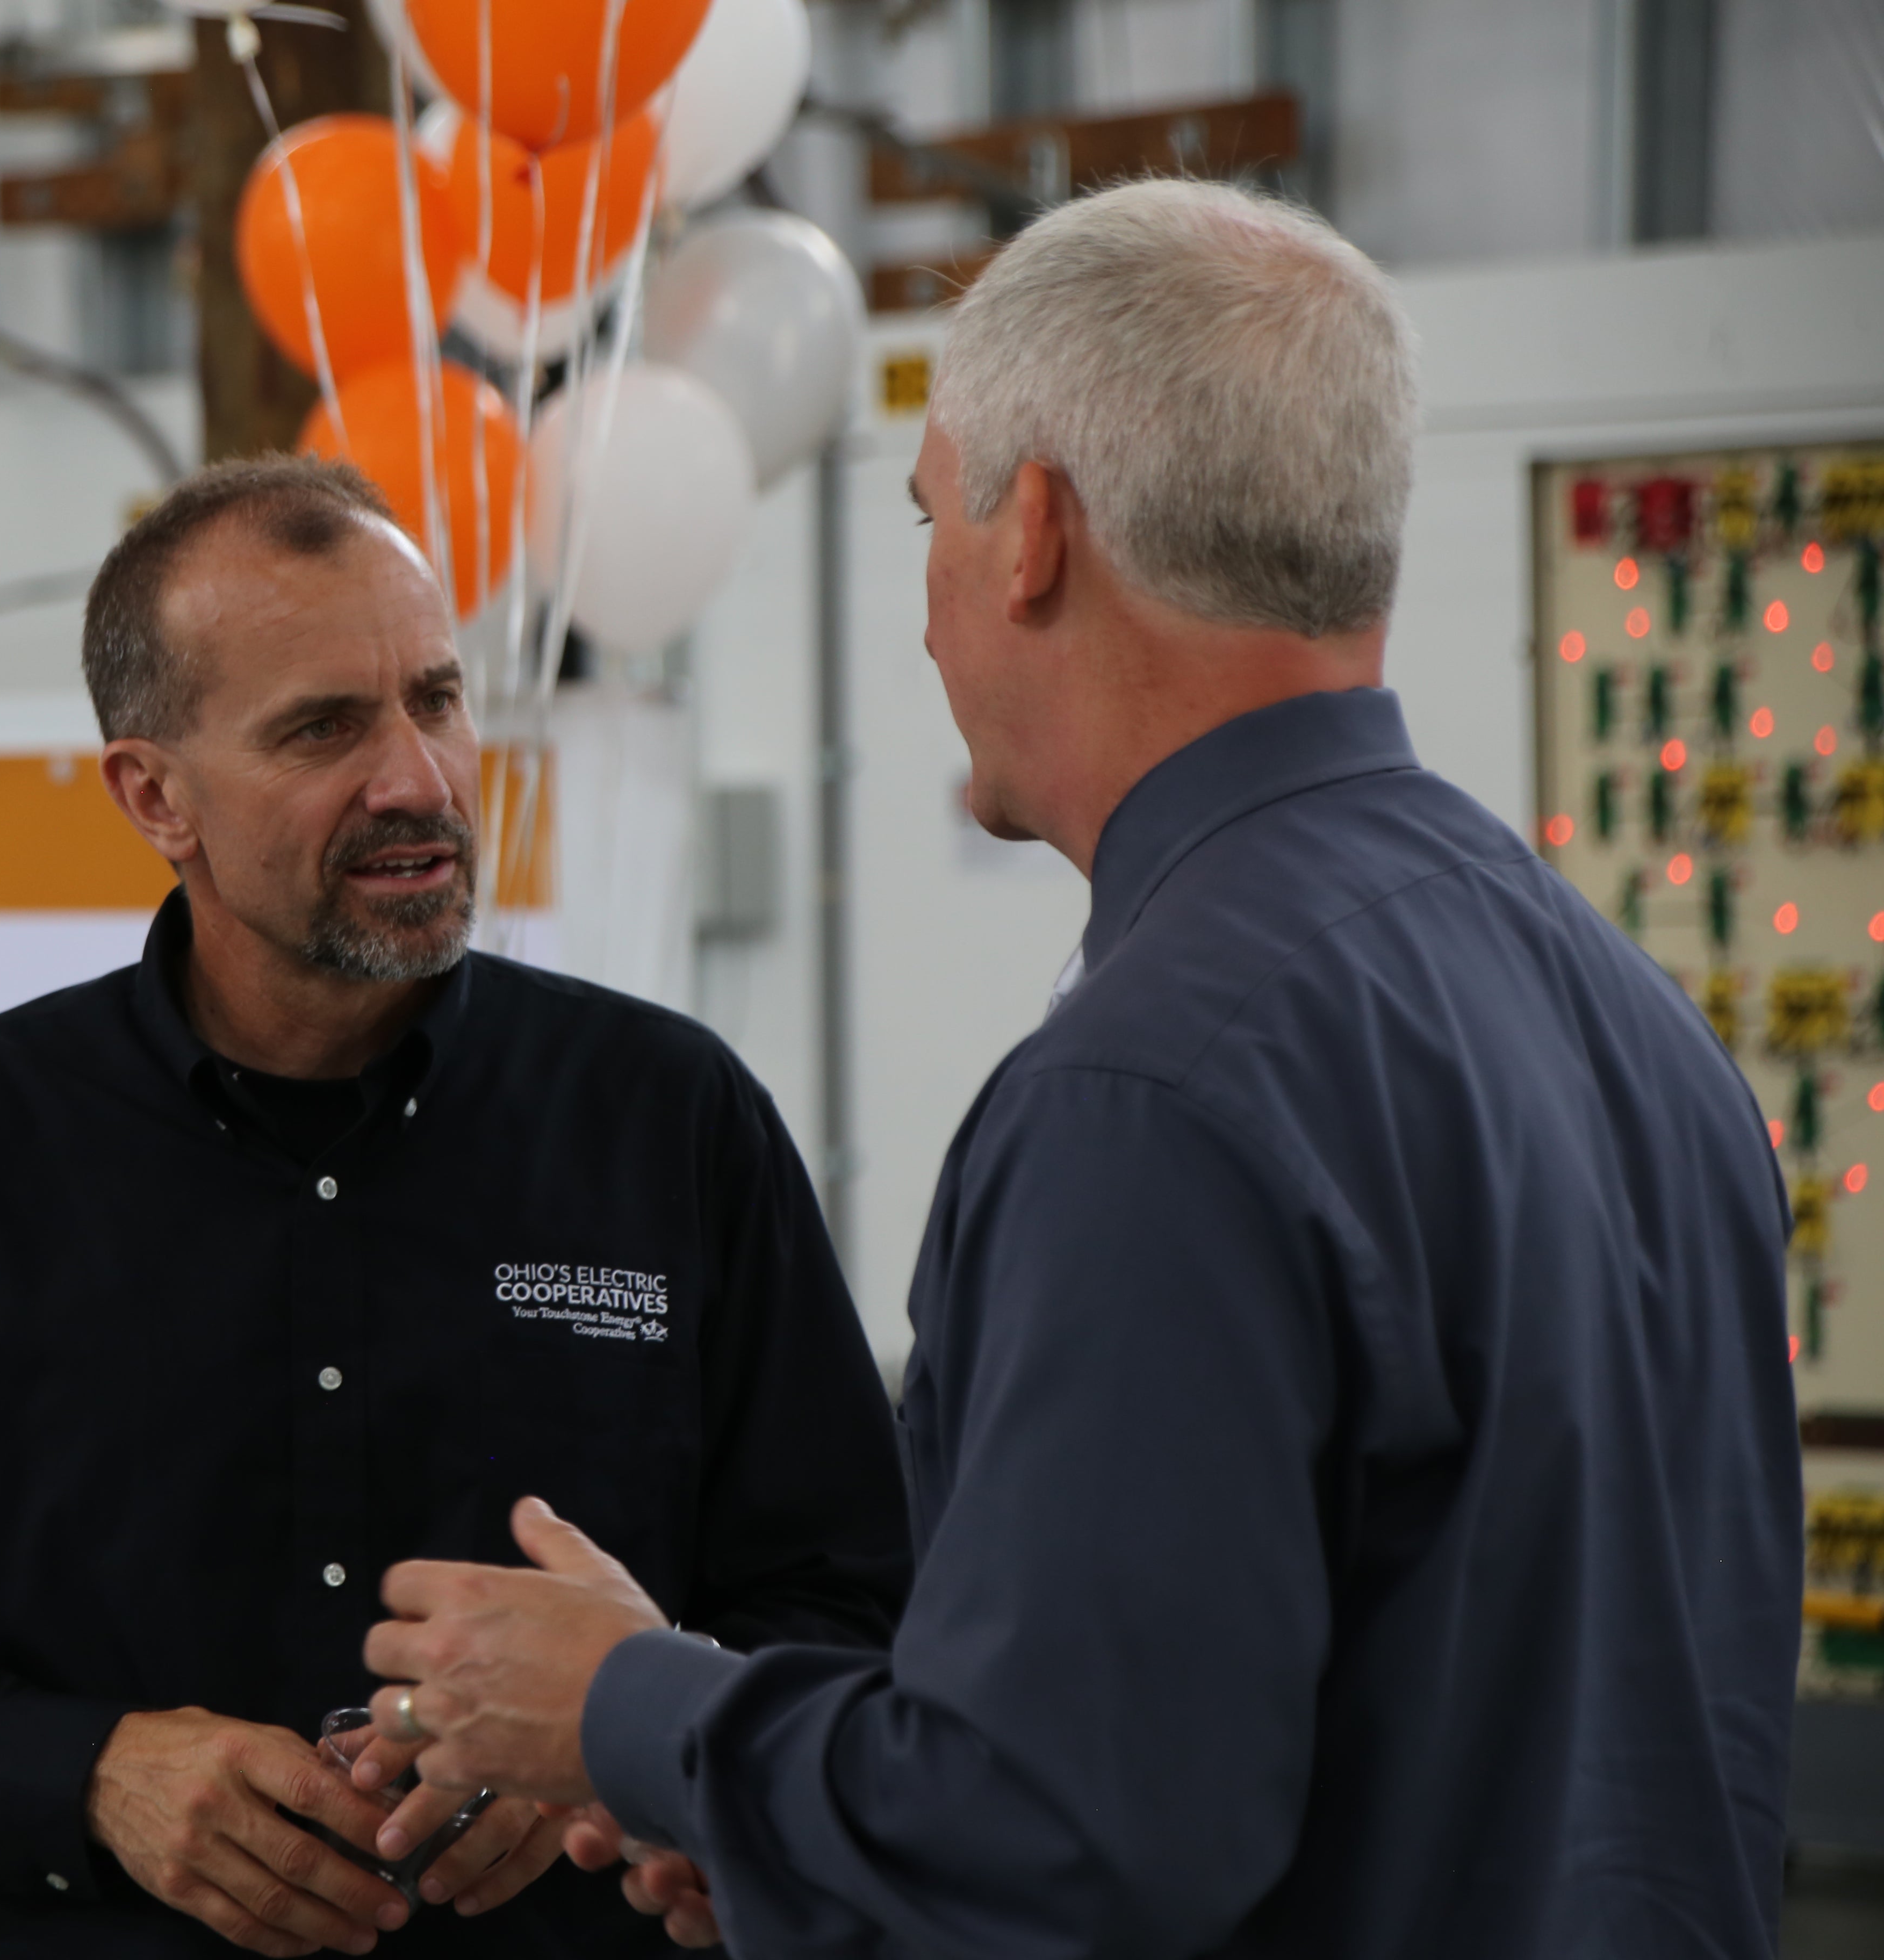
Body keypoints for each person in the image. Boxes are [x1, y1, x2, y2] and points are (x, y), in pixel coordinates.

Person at [356, 180, 1801, 1959]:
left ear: (1031, 530)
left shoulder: (1154, 1091)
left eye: (926, 524)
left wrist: (630, 1710)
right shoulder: (1626, 1017)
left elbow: (1062, 1840)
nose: (929, 611)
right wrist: (780, 1811)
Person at [0, 456, 914, 1960]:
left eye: (439, 700)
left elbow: (856, 1608)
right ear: (156, 796)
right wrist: (88, 1776)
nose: (419, 779)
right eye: (325, 727)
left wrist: (629, 1729)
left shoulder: (669, 1117)